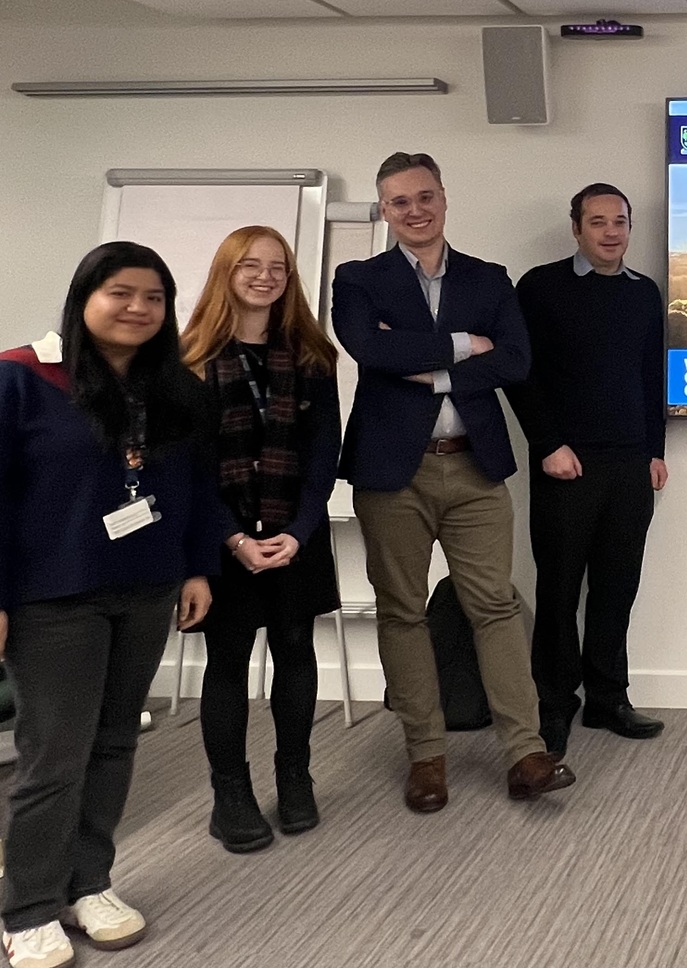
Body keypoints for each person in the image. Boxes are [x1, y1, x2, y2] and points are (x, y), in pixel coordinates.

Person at [1, 242, 221, 968]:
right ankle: (27, 908)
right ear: (84, 297)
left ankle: (88, 883)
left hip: (147, 587)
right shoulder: (22, 376)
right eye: (120, 293)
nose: (138, 308)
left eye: (154, 297)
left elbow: (196, 488)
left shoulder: (176, 388)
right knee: (54, 756)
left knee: (116, 742)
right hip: (52, 598)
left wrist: (197, 568)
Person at [332, 151, 572, 812]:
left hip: (474, 465)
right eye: (400, 201)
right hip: (392, 472)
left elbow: (516, 361)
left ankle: (526, 753)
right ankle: (426, 757)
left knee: (495, 606)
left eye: (425, 196)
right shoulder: (358, 279)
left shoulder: (488, 279)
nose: (415, 210)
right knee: (402, 612)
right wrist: (468, 345)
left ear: (443, 198)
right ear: (385, 211)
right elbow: (370, 350)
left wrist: (422, 364)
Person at [180, 225, 342, 853]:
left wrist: (297, 533)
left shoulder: (312, 356)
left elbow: (323, 456)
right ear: (227, 272)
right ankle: (231, 794)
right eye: (250, 265)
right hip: (222, 538)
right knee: (227, 661)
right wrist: (231, 537)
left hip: (295, 535)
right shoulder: (189, 360)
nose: (265, 276)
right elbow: (186, 468)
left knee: (296, 651)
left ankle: (294, 778)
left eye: (277, 267)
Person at [507, 183, 668, 752]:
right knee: (558, 588)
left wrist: (655, 450)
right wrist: (548, 444)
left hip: (630, 463)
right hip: (566, 464)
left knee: (617, 586)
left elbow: (651, 375)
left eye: (619, 221)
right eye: (597, 221)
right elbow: (520, 373)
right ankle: (553, 705)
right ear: (576, 228)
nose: (610, 232)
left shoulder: (644, 293)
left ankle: (607, 698)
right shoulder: (540, 287)